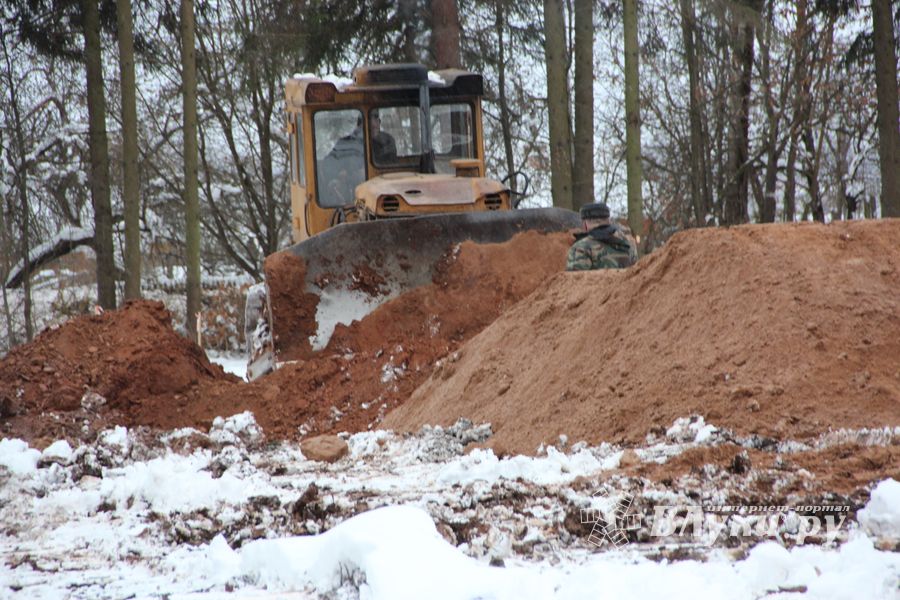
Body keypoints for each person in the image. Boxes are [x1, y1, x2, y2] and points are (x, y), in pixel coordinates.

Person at [565, 202, 638, 271]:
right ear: (608, 220)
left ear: (585, 224)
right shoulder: (628, 243)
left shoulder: (580, 247)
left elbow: (574, 281)